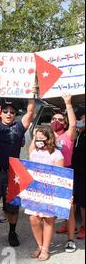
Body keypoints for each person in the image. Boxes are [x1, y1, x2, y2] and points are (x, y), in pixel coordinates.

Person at [0, 96, 35, 248]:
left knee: (13, 207)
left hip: (13, 174)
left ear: (15, 114)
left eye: (12, 112)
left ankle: (12, 233)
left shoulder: (19, 127)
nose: (9, 114)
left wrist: (31, 95)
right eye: (5, 111)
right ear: (0, 113)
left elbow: (30, 113)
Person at [27, 126, 64, 261]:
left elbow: (61, 177)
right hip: (35, 191)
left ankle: (45, 249)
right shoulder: (34, 152)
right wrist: (36, 132)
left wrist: (64, 195)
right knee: (33, 219)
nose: (38, 140)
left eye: (42, 138)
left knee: (48, 219)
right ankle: (40, 245)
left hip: (50, 191)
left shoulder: (56, 154)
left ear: (49, 139)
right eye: (37, 138)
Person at [50, 96, 78, 252]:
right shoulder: (46, 136)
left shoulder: (68, 136)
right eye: (54, 119)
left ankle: (70, 239)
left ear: (65, 123)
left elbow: (73, 124)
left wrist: (68, 103)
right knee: (50, 208)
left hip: (65, 172)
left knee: (68, 207)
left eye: (60, 119)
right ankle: (46, 243)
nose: (56, 121)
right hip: (50, 173)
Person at [72, 106, 85, 241]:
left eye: (80, 117)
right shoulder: (77, 133)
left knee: (83, 202)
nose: (77, 120)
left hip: (83, 174)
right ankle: (70, 224)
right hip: (74, 172)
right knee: (73, 200)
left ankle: (83, 228)